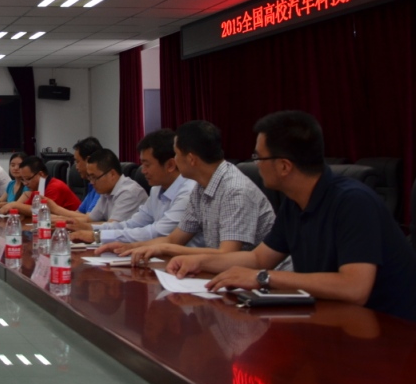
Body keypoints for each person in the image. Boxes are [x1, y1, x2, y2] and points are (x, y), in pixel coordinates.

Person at [168, 111, 416, 321]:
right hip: (334, 319)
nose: (256, 164)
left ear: (284, 166)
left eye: (258, 157)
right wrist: (200, 262)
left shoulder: (353, 202)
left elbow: (354, 288)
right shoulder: (294, 203)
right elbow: (258, 258)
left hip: (391, 330)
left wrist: (263, 278)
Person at [106, 120, 274, 263]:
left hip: (258, 280)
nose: (175, 161)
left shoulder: (235, 190)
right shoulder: (201, 187)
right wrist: (130, 247)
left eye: (176, 154)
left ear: (191, 159)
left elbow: (228, 254)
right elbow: (174, 239)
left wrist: (163, 249)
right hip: (221, 271)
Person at [68, 129, 197, 244]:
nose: (143, 171)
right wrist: (91, 229)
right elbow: (132, 224)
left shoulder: (189, 192)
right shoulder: (156, 190)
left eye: (147, 165)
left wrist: (97, 236)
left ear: (170, 165)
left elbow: (156, 232)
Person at [44, 148, 147, 223]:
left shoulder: (128, 192)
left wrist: (68, 221)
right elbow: (89, 219)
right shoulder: (106, 192)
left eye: (94, 177)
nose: (91, 182)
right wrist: (61, 220)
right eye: (90, 177)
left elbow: (112, 227)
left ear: (112, 174)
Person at [0, 155, 81, 217]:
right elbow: (27, 208)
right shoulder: (38, 188)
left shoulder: (55, 187)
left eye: (28, 179)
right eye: (23, 180)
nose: (25, 183)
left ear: (41, 174)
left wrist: (14, 205)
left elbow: (42, 211)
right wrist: (6, 205)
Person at [72, 137, 103, 213]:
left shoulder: (102, 186)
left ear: (88, 160)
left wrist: (54, 207)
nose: (76, 167)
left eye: (77, 161)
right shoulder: (91, 186)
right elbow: (79, 213)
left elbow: (88, 218)